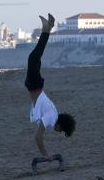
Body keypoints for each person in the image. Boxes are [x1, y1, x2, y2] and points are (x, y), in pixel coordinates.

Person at [25, 13, 76, 161]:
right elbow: (37, 137)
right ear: (60, 126)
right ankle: (47, 28)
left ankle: (46, 29)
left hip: (35, 85)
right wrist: (46, 155)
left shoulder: (53, 113)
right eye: (61, 130)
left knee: (34, 57)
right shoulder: (51, 118)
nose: (58, 131)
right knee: (33, 57)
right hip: (34, 84)